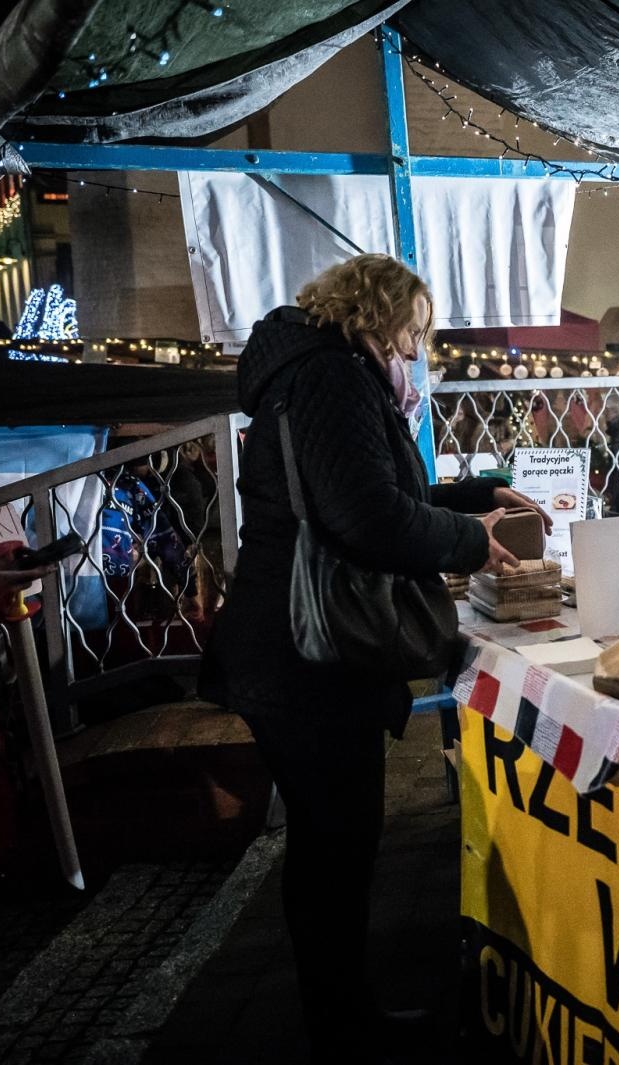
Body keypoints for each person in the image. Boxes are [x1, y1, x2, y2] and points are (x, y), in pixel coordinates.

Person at [198, 254, 548, 1064]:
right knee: (335, 845)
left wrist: (475, 493)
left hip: (288, 646)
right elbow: (364, 516)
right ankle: (340, 1028)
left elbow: (371, 489)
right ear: (382, 318)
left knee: (331, 843)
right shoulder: (331, 377)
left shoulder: (312, 371)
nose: (415, 351)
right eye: (414, 334)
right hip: (304, 653)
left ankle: (339, 1012)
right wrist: (474, 541)